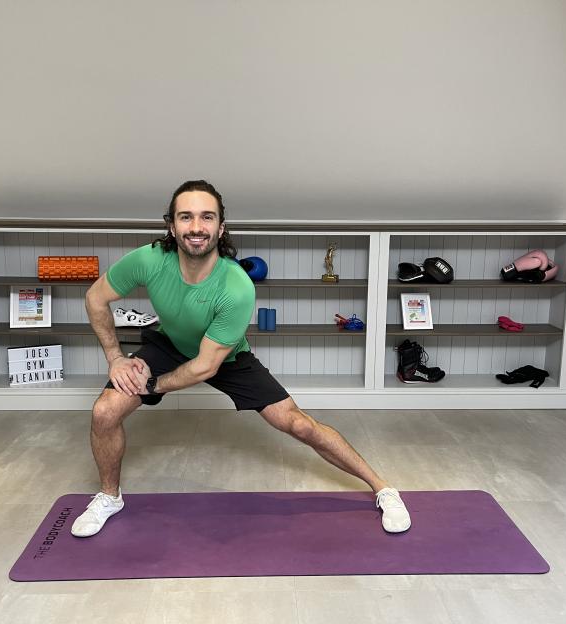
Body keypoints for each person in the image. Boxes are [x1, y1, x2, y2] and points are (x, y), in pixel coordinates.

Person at [71, 180, 411, 537]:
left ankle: (384, 489)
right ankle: (109, 497)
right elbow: (96, 297)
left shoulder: (236, 286)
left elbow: (205, 366)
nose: (197, 227)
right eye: (186, 217)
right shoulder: (148, 260)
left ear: (221, 227)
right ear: (171, 226)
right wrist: (115, 359)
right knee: (104, 411)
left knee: (298, 424)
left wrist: (151, 384)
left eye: (207, 217)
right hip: (168, 344)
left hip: (226, 356)